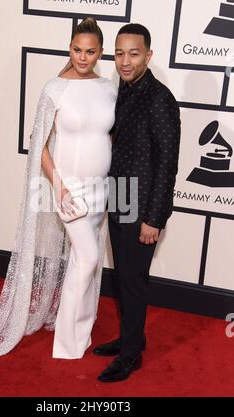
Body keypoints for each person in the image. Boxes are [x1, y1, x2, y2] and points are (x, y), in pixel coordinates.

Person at [0, 18, 117, 359]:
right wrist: (59, 187)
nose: (83, 57)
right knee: (89, 256)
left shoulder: (109, 88)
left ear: (100, 52)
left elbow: (108, 136)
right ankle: (68, 345)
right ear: (69, 48)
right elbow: (38, 144)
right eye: (77, 50)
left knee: (85, 263)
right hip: (68, 189)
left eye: (91, 51)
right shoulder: (54, 88)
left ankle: (80, 331)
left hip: (101, 189)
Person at [93, 23, 181, 382]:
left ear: (148, 55)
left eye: (133, 53)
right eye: (119, 53)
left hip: (142, 207)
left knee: (133, 281)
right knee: (123, 277)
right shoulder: (126, 89)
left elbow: (167, 163)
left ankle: (131, 356)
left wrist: (154, 219)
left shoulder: (160, 98)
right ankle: (132, 338)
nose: (124, 61)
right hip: (121, 196)